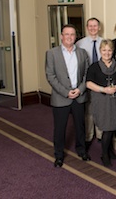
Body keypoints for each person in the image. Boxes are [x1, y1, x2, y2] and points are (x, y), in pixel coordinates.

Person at [45, 24, 90, 167]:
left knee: (80, 126)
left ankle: (81, 150)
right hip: (61, 97)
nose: (69, 37)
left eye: (72, 34)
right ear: (61, 36)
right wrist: (65, 92)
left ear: (75, 36)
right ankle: (58, 155)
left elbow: (86, 74)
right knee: (60, 128)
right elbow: (50, 76)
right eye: (67, 34)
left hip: (79, 95)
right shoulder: (52, 53)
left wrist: (80, 89)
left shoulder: (82, 53)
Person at [86, 39, 116, 167]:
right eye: (104, 50)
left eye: (109, 50)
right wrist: (103, 89)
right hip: (100, 100)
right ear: (100, 51)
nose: (107, 53)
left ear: (113, 51)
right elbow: (88, 83)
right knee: (107, 127)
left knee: (112, 126)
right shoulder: (94, 67)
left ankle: (110, 151)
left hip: (114, 99)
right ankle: (104, 154)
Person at [76, 17, 103, 148]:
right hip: (86, 79)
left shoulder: (104, 42)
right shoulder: (80, 44)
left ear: (99, 28)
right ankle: (88, 135)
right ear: (87, 28)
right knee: (88, 109)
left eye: (95, 26)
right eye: (90, 26)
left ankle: (100, 134)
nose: (93, 28)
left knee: (100, 108)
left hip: (101, 80)